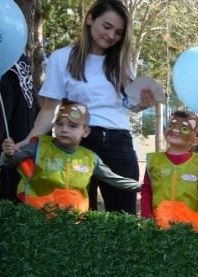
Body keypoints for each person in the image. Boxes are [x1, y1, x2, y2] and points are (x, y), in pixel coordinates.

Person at [11, 0, 155, 214]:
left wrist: (142, 105)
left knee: (124, 217)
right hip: (77, 142)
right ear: (90, 19)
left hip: (119, 142)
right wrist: (29, 140)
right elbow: (50, 109)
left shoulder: (123, 62)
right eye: (107, 27)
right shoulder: (62, 58)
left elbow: (129, 105)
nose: (111, 36)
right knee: (74, 216)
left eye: (118, 32)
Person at [1, 100, 140, 211]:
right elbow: (11, 162)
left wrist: (145, 186)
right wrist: (8, 153)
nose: (64, 130)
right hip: (38, 219)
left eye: (72, 126)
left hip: (74, 223)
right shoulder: (39, 147)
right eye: (60, 124)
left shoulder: (90, 158)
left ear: (85, 131)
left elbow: (114, 179)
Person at [141, 110, 198, 231]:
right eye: (171, 125)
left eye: (184, 129)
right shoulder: (154, 161)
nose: (175, 130)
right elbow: (147, 191)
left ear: (195, 141)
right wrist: (146, 216)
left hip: (195, 230)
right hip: (160, 226)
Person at [0, 55, 37, 203]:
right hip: (20, 145)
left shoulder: (5, 59)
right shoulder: (17, 56)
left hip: (10, 148)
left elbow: (0, 119)